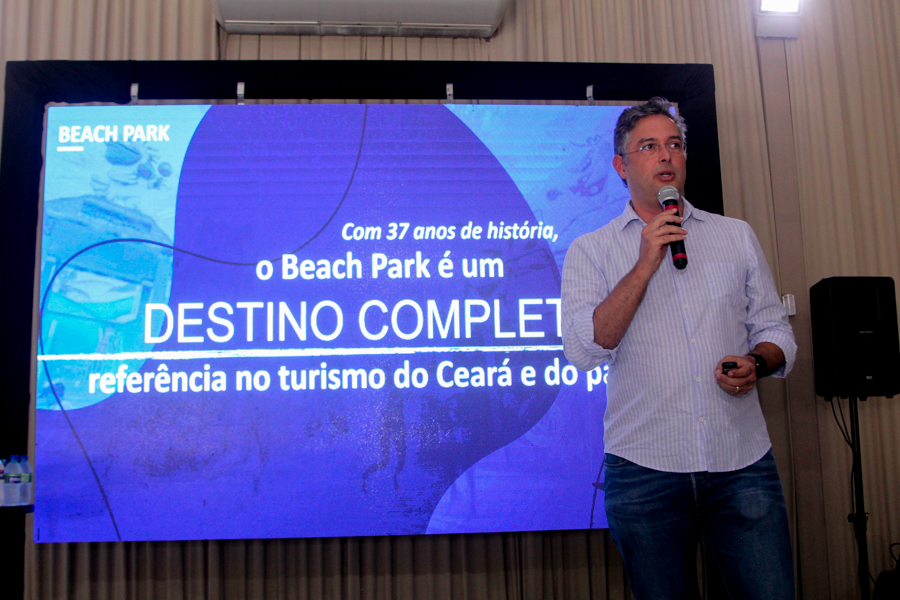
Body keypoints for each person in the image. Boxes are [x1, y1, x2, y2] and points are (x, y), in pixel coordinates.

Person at [561, 97, 797, 600]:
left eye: (674, 145)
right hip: (644, 469)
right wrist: (645, 263)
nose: (666, 156)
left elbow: (776, 331)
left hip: (741, 462)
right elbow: (586, 348)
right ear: (621, 166)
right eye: (649, 146)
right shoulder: (591, 249)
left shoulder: (735, 236)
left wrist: (755, 362)